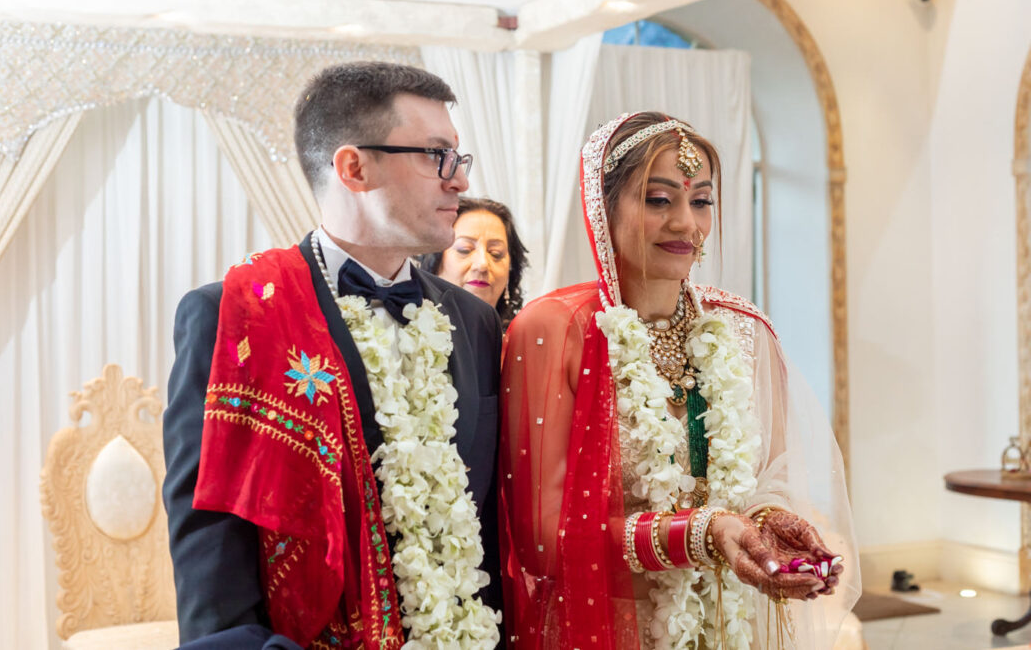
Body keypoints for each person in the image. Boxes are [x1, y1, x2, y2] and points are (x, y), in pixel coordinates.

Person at [162, 61, 503, 649]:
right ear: (354, 168)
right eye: (436, 156)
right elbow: (211, 535)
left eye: (458, 158)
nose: (460, 181)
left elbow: (488, 518)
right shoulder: (234, 314)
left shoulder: (473, 320)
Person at [498, 112, 859, 648]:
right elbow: (544, 540)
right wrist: (701, 534)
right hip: (608, 629)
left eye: (702, 201)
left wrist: (769, 525)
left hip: (730, 623)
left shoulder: (744, 331)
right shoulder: (556, 330)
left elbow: (773, 477)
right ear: (602, 208)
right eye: (659, 200)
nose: (686, 224)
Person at [419, 196, 529, 326]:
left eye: (496, 253)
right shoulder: (406, 329)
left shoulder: (522, 336)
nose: (482, 264)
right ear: (434, 261)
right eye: (465, 250)